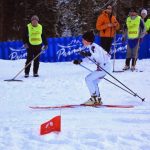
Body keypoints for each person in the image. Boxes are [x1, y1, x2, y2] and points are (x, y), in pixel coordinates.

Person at [73, 31, 111, 105]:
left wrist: (88, 54)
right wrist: (80, 61)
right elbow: (91, 58)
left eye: (83, 39)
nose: (82, 41)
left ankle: (93, 99)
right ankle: (98, 99)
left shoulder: (93, 47)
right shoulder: (92, 46)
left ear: (87, 40)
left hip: (104, 67)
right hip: (105, 67)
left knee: (88, 79)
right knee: (94, 82)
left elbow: (97, 57)